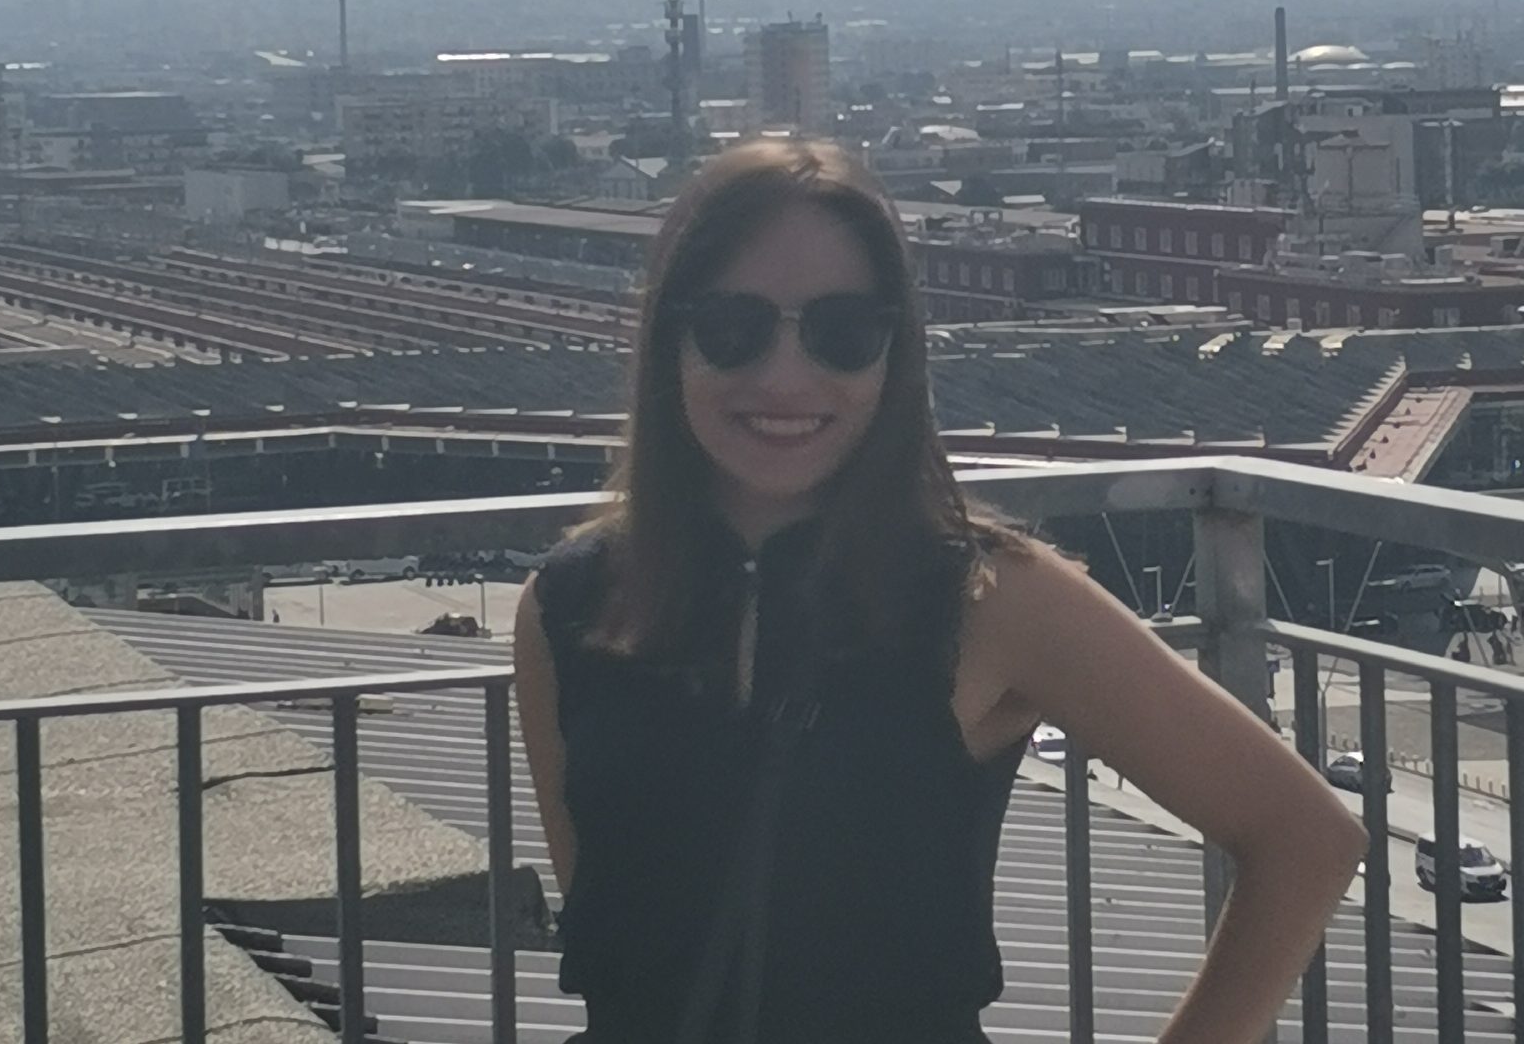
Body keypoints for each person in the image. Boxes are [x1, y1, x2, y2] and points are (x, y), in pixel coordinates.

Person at [516, 140, 1364, 1044]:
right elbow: (621, 947)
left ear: (897, 354)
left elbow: (1303, 837)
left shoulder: (991, 598)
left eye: (843, 331)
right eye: (733, 326)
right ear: (669, 341)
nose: (784, 377)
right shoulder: (566, 608)